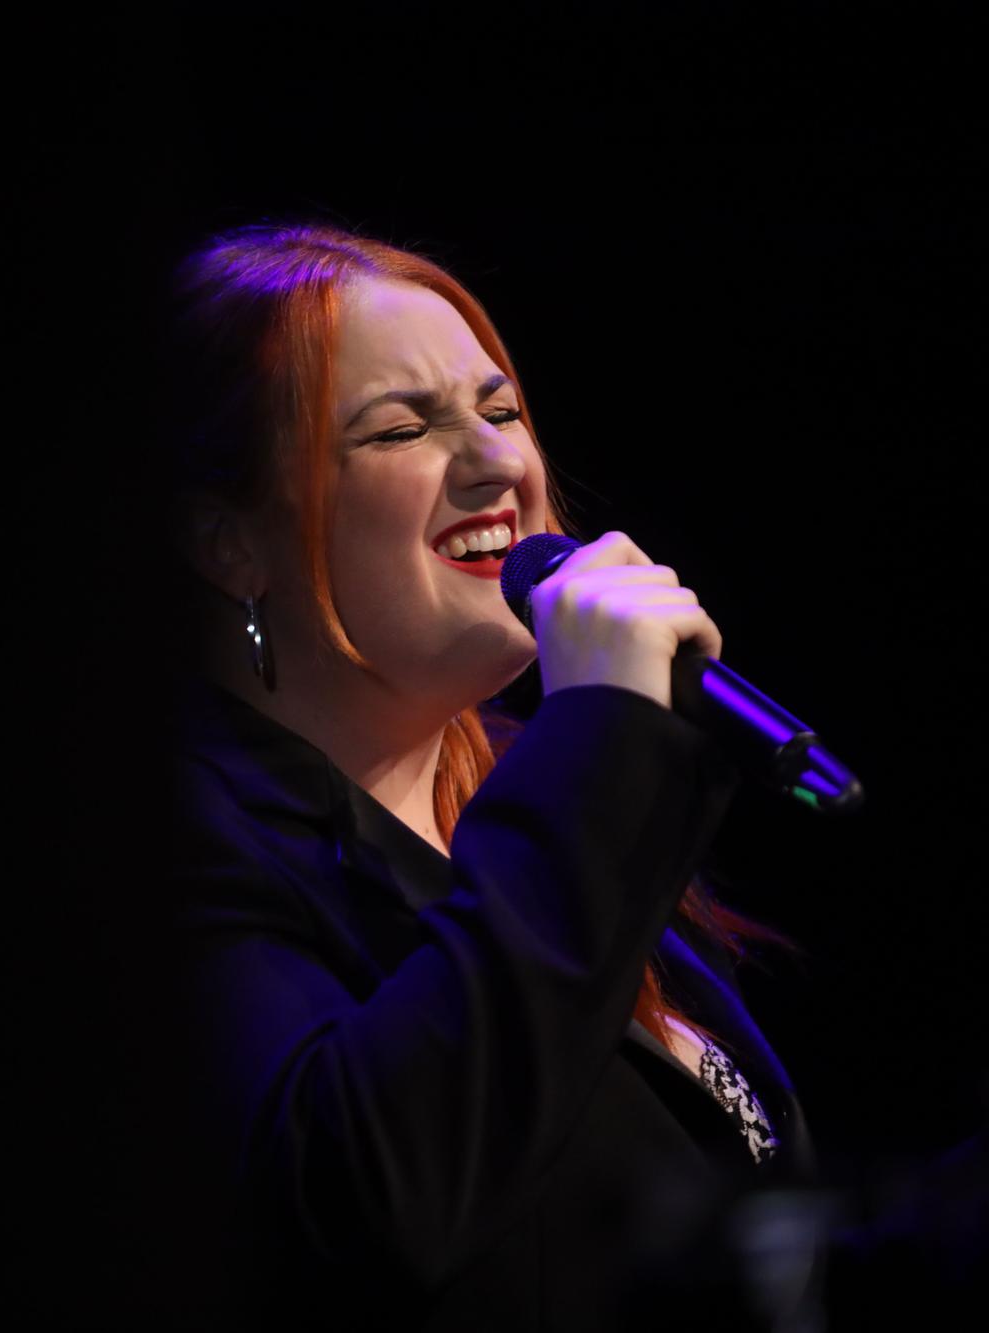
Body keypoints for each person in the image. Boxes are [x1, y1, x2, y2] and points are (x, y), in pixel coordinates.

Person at [162, 220, 830, 1329]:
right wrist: (602, 745)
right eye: (398, 430)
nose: (498, 464)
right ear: (227, 541)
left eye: (499, 409)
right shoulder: (183, 843)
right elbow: (353, 1208)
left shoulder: (528, 813)